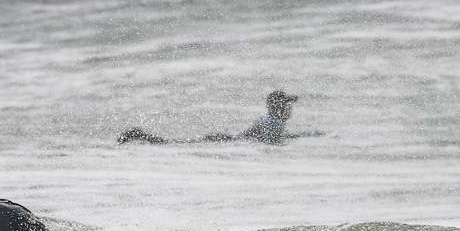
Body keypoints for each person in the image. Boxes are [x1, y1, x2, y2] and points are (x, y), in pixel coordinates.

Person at [118, 90, 317, 146]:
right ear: (280, 107)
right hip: (228, 142)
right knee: (174, 144)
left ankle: (143, 137)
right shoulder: (274, 123)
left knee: (177, 143)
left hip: (226, 139)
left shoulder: (270, 121)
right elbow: (271, 142)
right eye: (288, 104)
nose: (290, 108)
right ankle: (142, 136)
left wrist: (302, 135)